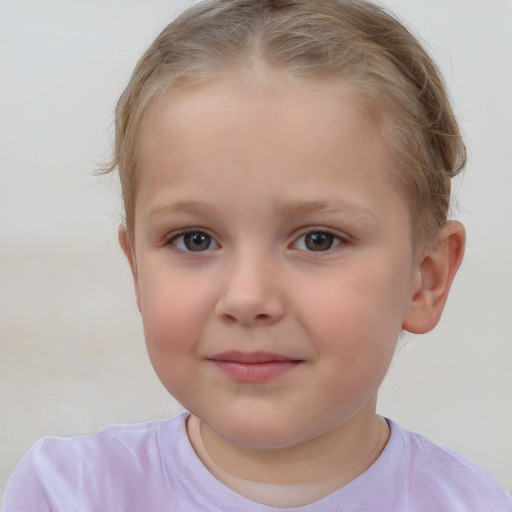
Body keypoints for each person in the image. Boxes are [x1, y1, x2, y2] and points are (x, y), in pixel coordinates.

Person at [3, 0, 511, 510]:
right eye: (194, 239)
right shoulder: (67, 493)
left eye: (318, 239)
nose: (247, 298)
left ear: (426, 280)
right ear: (137, 270)